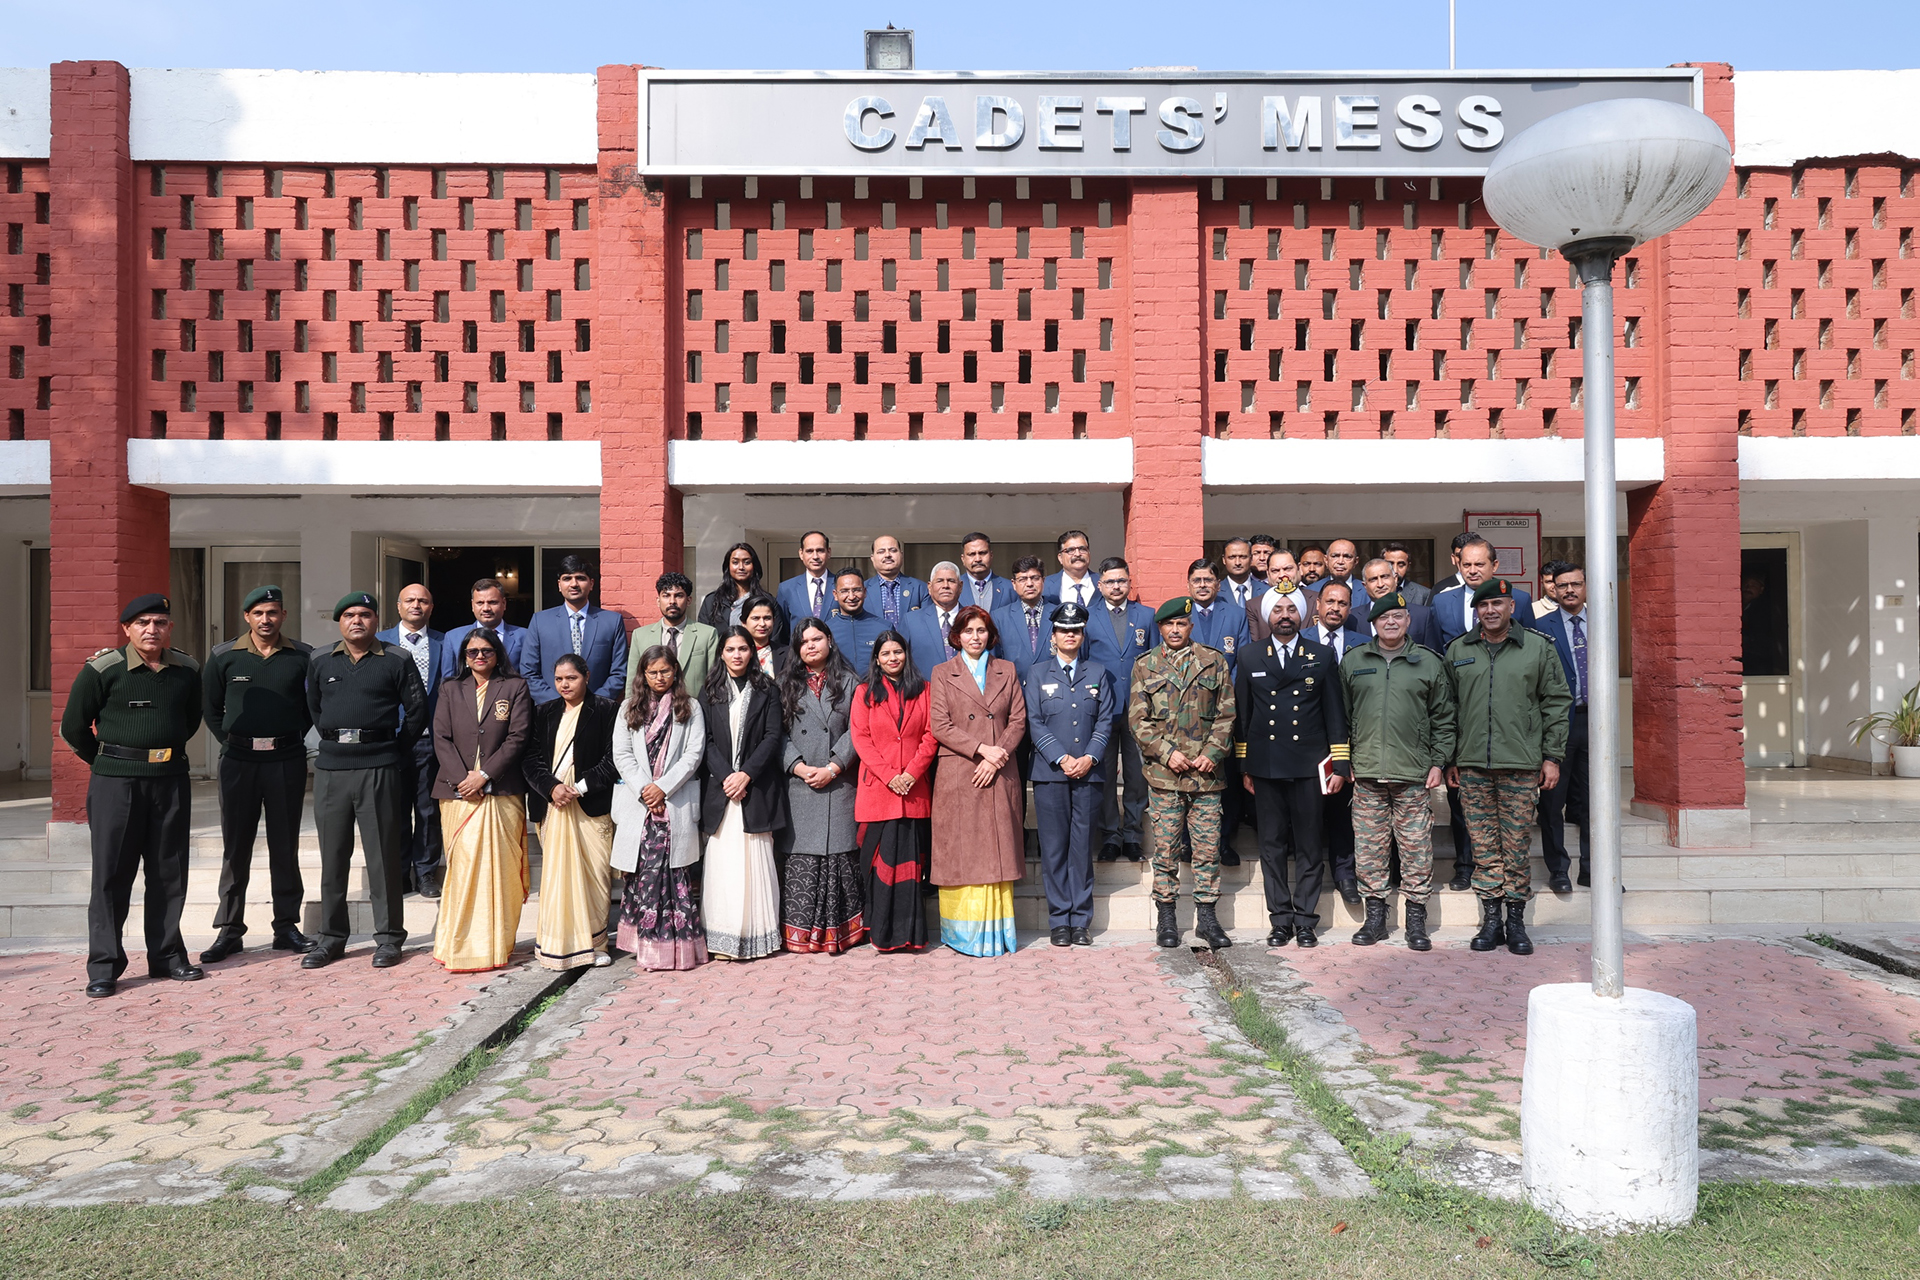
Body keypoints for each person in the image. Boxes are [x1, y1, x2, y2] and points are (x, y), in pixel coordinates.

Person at [61, 593, 205, 998]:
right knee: (111, 875)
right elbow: (73, 727)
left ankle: (167, 956)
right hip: (115, 783)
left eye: (159, 622)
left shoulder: (187, 669)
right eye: (142, 623)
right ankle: (105, 966)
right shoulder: (103, 669)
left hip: (170, 777)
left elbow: (189, 719)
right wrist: (109, 763)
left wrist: (160, 752)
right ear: (127, 629)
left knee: (169, 872)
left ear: (170, 628)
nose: (151, 630)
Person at [1446, 577, 1572, 958]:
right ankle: (1490, 920)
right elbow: (1446, 710)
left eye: (1497, 604)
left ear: (1510, 607)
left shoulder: (1537, 648)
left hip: (1520, 763)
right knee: (1483, 847)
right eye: (1483, 606)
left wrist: (1552, 757)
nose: (1490, 611)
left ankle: (1515, 921)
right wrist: (1449, 758)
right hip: (1472, 766)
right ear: (1476, 611)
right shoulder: (1457, 651)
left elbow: (1556, 703)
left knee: (1515, 845)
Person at [305, 593, 428, 970]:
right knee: (334, 856)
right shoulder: (321, 659)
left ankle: (389, 938)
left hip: (379, 766)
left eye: (365, 614)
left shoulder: (397, 658)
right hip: (332, 768)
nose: (357, 621)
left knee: (383, 857)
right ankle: (331, 939)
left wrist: (389, 748)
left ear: (376, 620)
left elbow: (417, 711)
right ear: (339, 621)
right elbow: (313, 706)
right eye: (349, 615)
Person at [200, 584, 315, 963]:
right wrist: (234, 742)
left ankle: (286, 927)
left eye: (274, 612)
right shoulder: (223, 656)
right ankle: (230, 931)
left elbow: (312, 706)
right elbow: (211, 708)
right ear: (246, 617)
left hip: (285, 759)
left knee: (285, 846)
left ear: (283, 615)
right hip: (239, 762)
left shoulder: (303, 656)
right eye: (259, 613)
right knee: (236, 847)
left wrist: (290, 736)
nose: (266, 620)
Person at [1341, 591, 1456, 952]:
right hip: (1368, 773)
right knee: (1370, 848)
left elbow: (1444, 717)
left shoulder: (1428, 662)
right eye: (1383, 617)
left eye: (1398, 617)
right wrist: (1347, 762)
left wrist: (1438, 761)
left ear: (1408, 622)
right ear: (1373, 623)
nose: (1391, 622)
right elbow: (1342, 717)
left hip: (1414, 773)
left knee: (1416, 848)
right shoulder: (1354, 660)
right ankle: (1375, 917)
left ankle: (1416, 919)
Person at [1235, 589, 1348, 948]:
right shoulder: (1249, 654)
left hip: (1309, 766)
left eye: (1291, 609)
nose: (1285, 615)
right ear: (1267, 616)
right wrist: (1244, 766)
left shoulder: (1322, 655)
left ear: (1302, 615)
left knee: (1310, 845)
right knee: (1271, 846)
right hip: (1266, 765)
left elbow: (1335, 714)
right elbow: (1244, 715)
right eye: (1278, 609)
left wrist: (1340, 765)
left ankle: (1306, 920)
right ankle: (1280, 920)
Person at [1131, 597, 1238, 949]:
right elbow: (1138, 720)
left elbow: (1227, 714)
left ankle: (1207, 918)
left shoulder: (1213, 661)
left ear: (1191, 626)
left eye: (1181, 624)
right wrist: (1166, 753)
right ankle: (1167, 917)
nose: (1175, 630)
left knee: (1207, 850)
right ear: (1159, 628)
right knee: (1166, 849)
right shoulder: (1145, 665)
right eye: (1168, 625)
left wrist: (1212, 752)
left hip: (1207, 777)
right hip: (1165, 777)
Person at [1433, 536, 1537, 889]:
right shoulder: (1441, 602)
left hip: (1510, 729)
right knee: (1462, 802)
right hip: (1465, 722)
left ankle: (1508, 887)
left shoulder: (1520, 600)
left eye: (1480, 564)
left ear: (1495, 565)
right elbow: (1437, 658)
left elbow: (1530, 658)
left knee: (1511, 823)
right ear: (1457, 565)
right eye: (1467, 564)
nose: (1473, 570)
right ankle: (1465, 865)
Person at [429, 627, 533, 973]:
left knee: (500, 871)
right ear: (464, 657)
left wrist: (484, 775)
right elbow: (441, 737)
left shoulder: (514, 687)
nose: (479, 657)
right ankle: (457, 945)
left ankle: (495, 945)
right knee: (463, 869)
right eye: (472, 652)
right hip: (457, 792)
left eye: (486, 651)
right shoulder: (449, 689)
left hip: (501, 789)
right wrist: (463, 779)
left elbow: (518, 737)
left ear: (497, 654)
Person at [928, 605, 1028, 957]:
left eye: (981, 630)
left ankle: (998, 935)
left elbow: (1017, 720)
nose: (975, 637)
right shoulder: (942, 672)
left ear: (990, 635)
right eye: (968, 630)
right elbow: (940, 725)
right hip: (962, 771)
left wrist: (997, 754)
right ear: (956, 635)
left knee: (995, 850)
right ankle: (963, 936)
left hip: (1000, 771)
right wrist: (982, 750)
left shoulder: (1007, 670)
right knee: (962, 851)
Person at [611, 646, 709, 970]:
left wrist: (662, 787)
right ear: (643, 674)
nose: (659, 677)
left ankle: (678, 951)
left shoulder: (690, 707)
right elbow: (622, 754)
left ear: (675, 672)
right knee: (643, 876)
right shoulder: (629, 708)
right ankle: (648, 950)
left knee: (675, 877)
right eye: (652, 672)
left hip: (674, 802)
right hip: (641, 806)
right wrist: (645, 788)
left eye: (665, 671)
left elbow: (693, 755)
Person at [525, 653, 622, 970]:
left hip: (590, 805)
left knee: (594, 875)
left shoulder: (607, 710)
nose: (565, 684)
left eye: (572, 678)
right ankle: (556, 944)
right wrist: (552, 788)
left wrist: (579, 788)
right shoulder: (544, 712)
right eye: (559, 679)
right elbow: (530, 759)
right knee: (558, 876)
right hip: (553, 804)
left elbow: (613, 759)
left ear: (587, 676)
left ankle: (596, 943)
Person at [1024, 602, 1112, 947]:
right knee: (1055, 849)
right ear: (1054, 635)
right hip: (1050, 775)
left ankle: (1081, 920)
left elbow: (1105, 721)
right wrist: (1061, 758)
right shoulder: (1037, 673)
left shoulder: (1098, 673)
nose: (1070, 635)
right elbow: (1034, 721)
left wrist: (1089, 757)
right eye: (1063, 630)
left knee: (1081, 850)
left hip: (1088, 774)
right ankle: (1059, 921)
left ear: (1082, 633)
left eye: (1075, 630)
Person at [776, 618, 865, 953]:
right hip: (800, 785)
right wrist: (797, 767)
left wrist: (834, 766)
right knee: (803, 860)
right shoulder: (784, 683)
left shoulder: (850, 682)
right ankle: (800, 936)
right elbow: (777, 733)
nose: (811, 646)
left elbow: (857, 730)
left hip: (839, 782)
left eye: (817, 639)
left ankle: (841, 934)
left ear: (829, 641)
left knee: (840, 858)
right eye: (804, 641)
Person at [700, 626, 787, 960]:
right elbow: (704, 740)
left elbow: (772, 737)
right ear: (721, 653)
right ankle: (721, 939)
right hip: (722, 790)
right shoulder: (708, 692)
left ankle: (757, 936)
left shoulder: (768, 689)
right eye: (730, 649)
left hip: (756, 789)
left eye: (743, 649)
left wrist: (746, 774)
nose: (737, 655)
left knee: (756, 861)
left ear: (753, 652)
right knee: (723, 863)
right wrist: (727, 777)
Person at [850, 632, 938, 953]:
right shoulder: (864, 693)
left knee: (911, 866)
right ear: (876, 658)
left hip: (914, 790)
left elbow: (931, 735)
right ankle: (880, 933)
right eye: (885, 653)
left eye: (897, 651)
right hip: (879, 790)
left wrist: (912, 773)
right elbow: (861, 739)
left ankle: (910, 934)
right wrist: (891, 776)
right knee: (877, 864)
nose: (892, 658)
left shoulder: (924, 690)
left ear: (906, 654)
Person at [1084, 556, 1157, 861]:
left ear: (1130, 583)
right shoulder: (1088, 616)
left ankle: (1132, 836)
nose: (1116, 586)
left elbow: (1153, 660)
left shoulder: (1146, 616)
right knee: (1103, 774)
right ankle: (1110, 837)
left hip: (1138, 709)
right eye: (1110, 581)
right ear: (1100, 585)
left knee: (1137, 776)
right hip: (1101, 709)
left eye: (1122, 581)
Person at [378, 583, 446, 898]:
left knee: (428, 810)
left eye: (423, 600)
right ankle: (399, 872)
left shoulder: (446, 643)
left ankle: (427, 872)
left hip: (431, 740)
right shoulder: (379, 642)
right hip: (390, 739)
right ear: (398, 605)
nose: (416, 605)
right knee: (394, 808)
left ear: (431, 607)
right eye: (410, 600)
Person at [1185, 557, 1251, 866]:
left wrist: (1226, 701)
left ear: (1218, 584)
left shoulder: (1236, 615)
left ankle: (1224, 841)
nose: (1202, 585)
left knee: (1227, 780)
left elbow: (1243, 660)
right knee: (1187, 775)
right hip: (1187, 713)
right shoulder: (1179, 616)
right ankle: (1186, 842)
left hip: (1226, 712)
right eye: (1196, 580)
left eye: (1207, 580)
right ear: (1188, 585)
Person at [1532, 562, 1593, 890]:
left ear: (1585, 586)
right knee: (1552, 802)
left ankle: (1591, 868)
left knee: (1593, 801)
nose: (1570, 590)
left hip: (1594, 722)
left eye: (1576, 584)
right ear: (1552, 589)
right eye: (1563, 585)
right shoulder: (1542, 625)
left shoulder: (1602, 622)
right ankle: (1558, 870)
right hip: (1556, 725)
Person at [1307, 579, 1365, 904]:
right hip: (1310, 745)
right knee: (1310, 815)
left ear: (1350, 607)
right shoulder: (1298, 642)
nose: (1335, 608)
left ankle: (1345, 876)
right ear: (1317, 605)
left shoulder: (1363, 643)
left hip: (1350, 743)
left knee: (1344, 815)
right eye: (1330, 601)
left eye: (1342, 603)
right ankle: (1309, 883)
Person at [522, 555, 627, 704]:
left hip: (597, 712)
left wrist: (595, 703)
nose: (574, 584)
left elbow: (619, 672)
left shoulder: (611, 621)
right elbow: (529, 671)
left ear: (591, 584)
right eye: (567, 578)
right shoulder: (540, 621)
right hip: (551, 712)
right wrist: (557, 703)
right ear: (559, 585)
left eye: (580, 578)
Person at [627, 572, 719, 698]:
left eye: (678, 596)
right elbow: (633, 680)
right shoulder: (640, 635)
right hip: (650, 712)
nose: (672, 601)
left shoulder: (707, 634)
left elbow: (714, 680)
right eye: (666, 596)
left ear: (688, 600)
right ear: (658, 601)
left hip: (694, 710)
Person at [440, 578, 527, 684]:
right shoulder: (453, 637)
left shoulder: (524, 636)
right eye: (480, 603)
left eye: (492, 602)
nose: (486, 608)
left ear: (504, 603)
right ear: (472, 605)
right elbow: (448, 682)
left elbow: (529, 677)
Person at [702, 542, 789, 648]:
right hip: (721, 661)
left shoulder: (767, 601)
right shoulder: (712, 601)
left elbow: (776, 638)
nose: (741, 567)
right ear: (728, 566)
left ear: (754, 566)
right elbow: (704, 639)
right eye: (735, 562)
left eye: (747, 562)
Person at [1356, 557, 1445, 652]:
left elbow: (1433, 655)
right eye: (1373, 579)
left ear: (1395, 579)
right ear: (1365, 586)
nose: (1380, 584)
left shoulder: (1423, 615)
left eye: (1385, 577)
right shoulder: (1353, 617)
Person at [900, 561, 966, 678]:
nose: (945, 585)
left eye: (951, 581)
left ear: (960, 586)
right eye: (939, 581)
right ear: (930, 587)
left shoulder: (972, 619)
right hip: (924, 692)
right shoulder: (911, 621)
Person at [991, 556, 1052, 681]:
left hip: (1054, 692)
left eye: (1035, 578)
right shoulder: (999, 617)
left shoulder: (1058, 614)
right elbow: (994, 661)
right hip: (1015, 690)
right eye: (1022, 579)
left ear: (1043, 581)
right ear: (1014, 584)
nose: (1029, 584)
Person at [825, 567, 889, 670]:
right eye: (844, 591)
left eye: (856, 590)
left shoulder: (884, 628)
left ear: (864, 592)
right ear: (835, 595)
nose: (851, 596)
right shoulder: (826, 631)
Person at [867, 534, 931, 626]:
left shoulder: (920, 588)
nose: (887, 555)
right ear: (872, 558)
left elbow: (927, 624)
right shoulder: (863, 590)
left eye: (893, 550)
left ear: (901, 555)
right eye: (881, 551)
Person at [777, 530, 838, 624]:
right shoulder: (787, 589)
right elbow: (782, 630)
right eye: (809, 551)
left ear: (828, 552)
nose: (815, 556)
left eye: (820, 550)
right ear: (801, 554)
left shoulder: (841, 585)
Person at [1244, 550, 1302, 645]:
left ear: (1299, 569)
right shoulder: (1254, 605)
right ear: (1268, 573)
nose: (1282, 575)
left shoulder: (1316, 600)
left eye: (1287, 569)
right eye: (1275, 571)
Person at [959, 531, 1015, 612]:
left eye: (982, 553)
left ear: (991, 555)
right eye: (972, 554)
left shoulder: (1009, 588)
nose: (978, 559)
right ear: (963, 559)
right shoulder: (954, 588)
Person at [1043, 529, 1097, 609]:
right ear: (1060, 558)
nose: (1077, 554)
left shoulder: (1103, 582)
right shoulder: (1045, 586)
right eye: (1070, 550)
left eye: (1082, 549)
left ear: (1089, 553)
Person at [741, 595, 786, 678]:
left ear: (774, 621)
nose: (762, 624)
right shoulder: (736, 654)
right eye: (756, 618)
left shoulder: (788, 654)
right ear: (744, 622)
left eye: (767, 618)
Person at [1380, 542, 1432, 606]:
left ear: (1408, 566)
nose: (1395, 570)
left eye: (1401, 565)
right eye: (1390, 564)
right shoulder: (1368, 592)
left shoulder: (1423, 594)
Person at [1219, 538, 1261, 613]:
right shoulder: (1215, 593)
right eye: (1232, 557)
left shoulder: (1266, 591)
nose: (1237, 562)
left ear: (1251, 559)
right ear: (1224, 560)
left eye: (1243, 557)